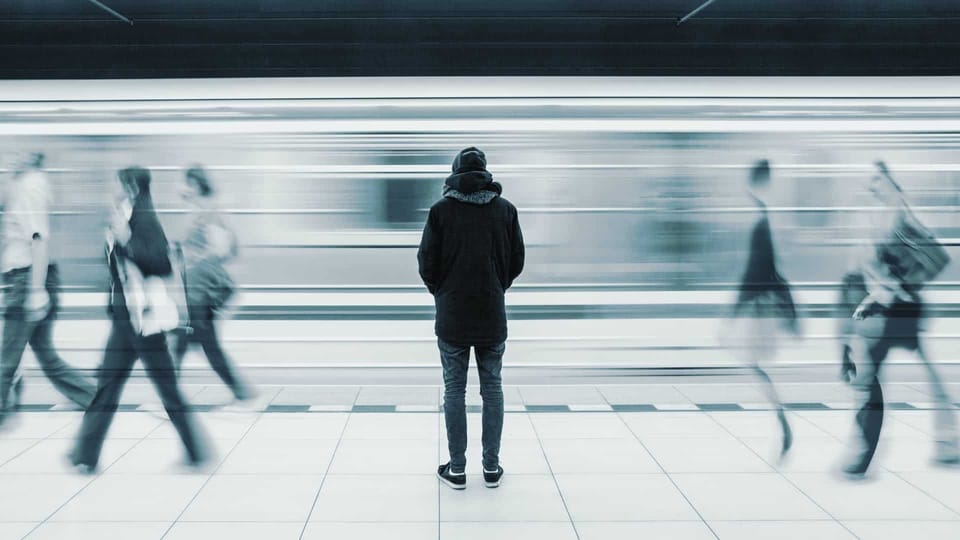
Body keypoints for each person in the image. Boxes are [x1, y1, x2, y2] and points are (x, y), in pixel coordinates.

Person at [70, 166, 206, 472]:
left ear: (131, 186)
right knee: (108, 386)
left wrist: (127, 241)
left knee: (166, 388)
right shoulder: (123, 217)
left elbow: (159, 262)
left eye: (118, 183)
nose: (114, 189)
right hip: (125, 318)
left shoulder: (144, 219)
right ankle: (84, 455)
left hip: (145, 321)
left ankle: (196, 451)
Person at [843, 161, 958, 478]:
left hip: (900, 309)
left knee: (869, 378)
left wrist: (886, 294)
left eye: (877, 179)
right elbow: (889, 273)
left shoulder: (897, 217)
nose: (873, 186)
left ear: (891, 180)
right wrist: (876, 296)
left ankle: (864, 455)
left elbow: (906, 269)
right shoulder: (890, 215)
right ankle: (948, 442)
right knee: (917, 376)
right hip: (897, 306)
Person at [418, 147, 524, 490]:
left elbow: (426, 263)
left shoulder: (440, 211)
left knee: (454, 390)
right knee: (492, 389)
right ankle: (491, 468)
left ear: (454, 173)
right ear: (485, 174)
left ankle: (458, 469)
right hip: (492, 312)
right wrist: (496, 285)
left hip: (452, 316)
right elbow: (517, 261)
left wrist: (443, 292)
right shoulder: (505, 210)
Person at [0, 152, 95, 426]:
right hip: (26, 279)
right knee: (44, 354)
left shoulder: (31, 187)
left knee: (7, 356)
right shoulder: (24, 186)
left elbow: (38, 240)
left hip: (28, 279)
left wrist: (35, 290)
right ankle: (93, 398)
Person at [728, 159, 798, 460]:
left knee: (753, 361)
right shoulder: (766, 217)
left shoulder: (762, 220)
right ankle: (781, 419)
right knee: (753, 362)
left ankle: (782, 421)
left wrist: (733, 310)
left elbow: (756, 270)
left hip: (761, 306)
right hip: (766, 303)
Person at [172, 166, 251, 402]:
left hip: (201, 292)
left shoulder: (208, 212)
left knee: (204, 348)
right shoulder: (198, 212)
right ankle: (171, 400)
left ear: (195, 185)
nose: (180, 187)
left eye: (184, 182)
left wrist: (192, 256)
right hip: (194, 291)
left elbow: (221, 250)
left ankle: (246, 397)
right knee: (182, 346)